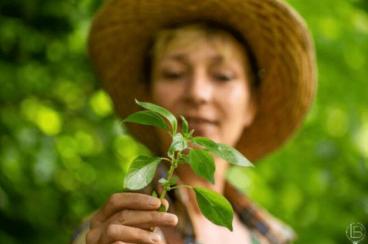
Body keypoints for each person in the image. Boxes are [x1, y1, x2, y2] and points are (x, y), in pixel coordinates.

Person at [72, 0, 316, 243]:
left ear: (252, 104)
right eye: (174, 74)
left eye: (222, 76)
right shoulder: (112, 230)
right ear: (148, 95)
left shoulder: (269, 237)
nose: (198, 93)